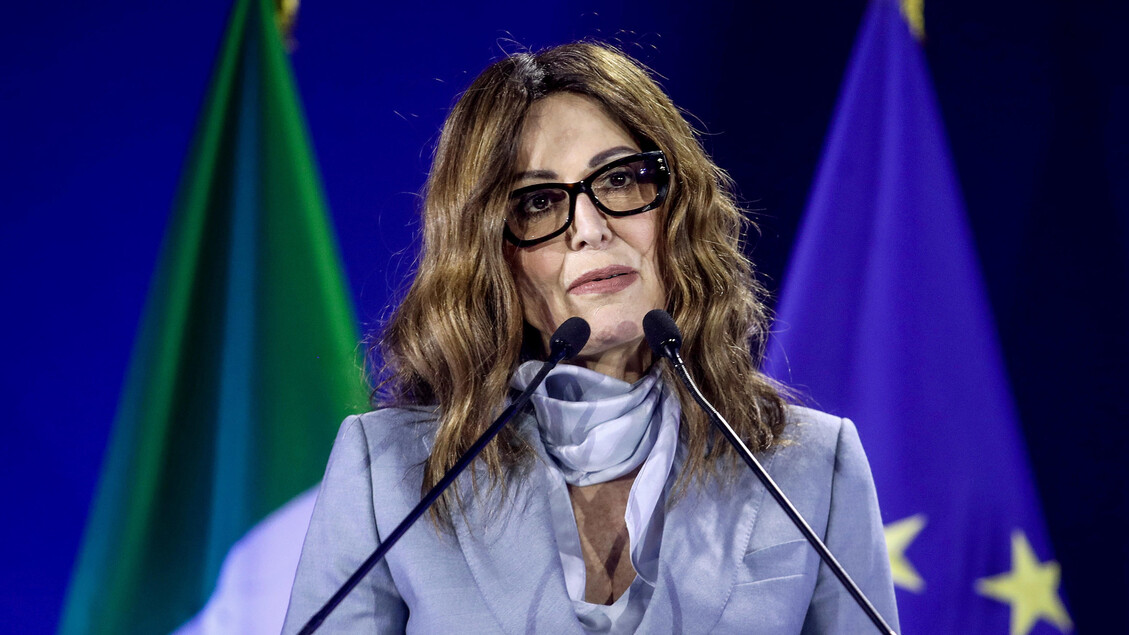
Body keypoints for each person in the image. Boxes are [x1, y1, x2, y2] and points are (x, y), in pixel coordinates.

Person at [282, 42, 898, 633]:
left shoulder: (812, 468)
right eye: (538, 203)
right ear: (487, 254)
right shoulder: (390, 473)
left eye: (621, 180)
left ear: (676, 209)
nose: (590, 228)